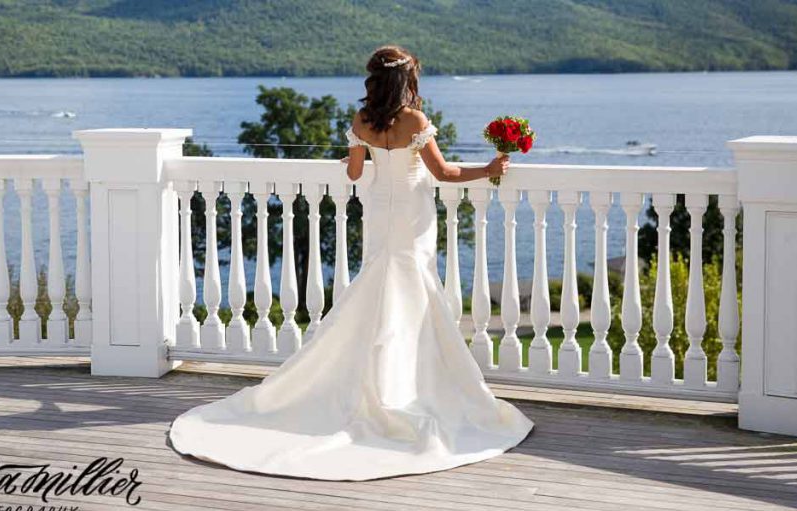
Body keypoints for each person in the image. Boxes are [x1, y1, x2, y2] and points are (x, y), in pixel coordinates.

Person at [168, 45, 534, 481]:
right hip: (412, 214)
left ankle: (371, 377)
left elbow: (356, 175)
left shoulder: (362, 121)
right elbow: (444, 174)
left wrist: (362, 153)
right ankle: (401, 383)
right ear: (406, 80)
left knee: (380, 287)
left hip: (381, 213)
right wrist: (490, 167)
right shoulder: (414, 121)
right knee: (412, 292)